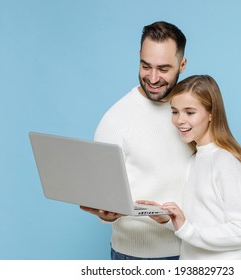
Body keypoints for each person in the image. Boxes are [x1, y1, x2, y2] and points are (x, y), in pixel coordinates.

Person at [80, 21, 193, 260]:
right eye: (145, 66)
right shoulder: (116, 119)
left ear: (182, 64)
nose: (153, 78)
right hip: (134, 257)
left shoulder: (195, 112)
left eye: (163, 69)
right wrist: (105, 213)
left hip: (195, 252)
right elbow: (103, 195)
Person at [140, 75, 241, 259]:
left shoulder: (227, 162)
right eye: (175, 111)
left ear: (211, 113)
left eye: (189, 112)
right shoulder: (194, 160)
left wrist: (188, 230)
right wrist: (168, 219)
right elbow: (200, 223)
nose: (180, 120)